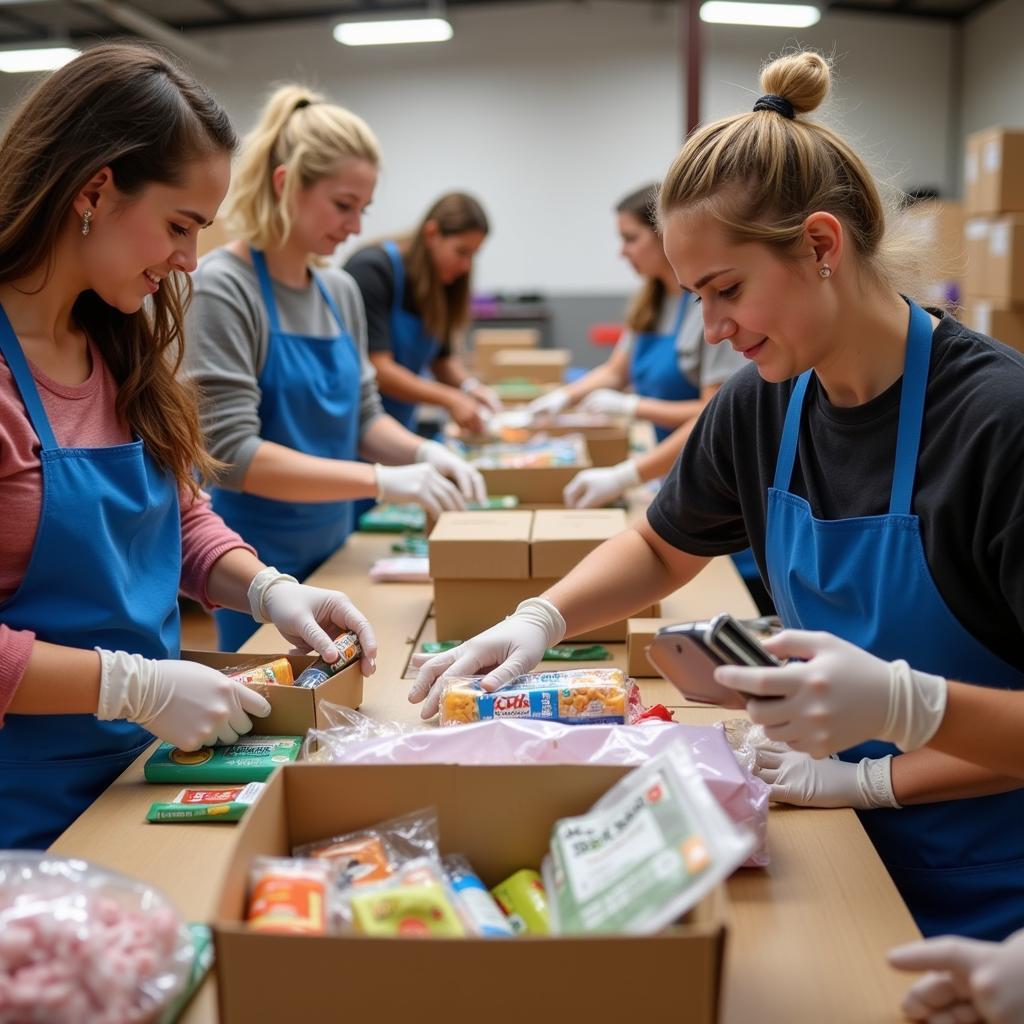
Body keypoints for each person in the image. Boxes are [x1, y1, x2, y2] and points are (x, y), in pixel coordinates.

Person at [410, 50, 1024, 943]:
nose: (713, 328)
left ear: (821, 246)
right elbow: (663, 546)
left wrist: (896, 735)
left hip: (989, 905)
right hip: (832, 853)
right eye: (696, 296)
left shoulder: (995, 425)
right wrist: (539, 618)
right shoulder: (764, 404)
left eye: (727, 290)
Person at [0, 45, 377, 851]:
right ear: (94, 189)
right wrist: (127, 684)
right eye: (178, 226)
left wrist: (273, 590)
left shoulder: (117, 343)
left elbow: (180, 522)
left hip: (139, 775)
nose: (189, 260)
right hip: (23, 810)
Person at [186, 88, 485, 652]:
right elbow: (232, 455)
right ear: (285, 186)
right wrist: (381, 480)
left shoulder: (339, 291)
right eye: (343, 205)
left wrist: (422, 453)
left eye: (363, 210)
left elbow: (364, 418)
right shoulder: (223, 288)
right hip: (255, 569)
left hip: (338, 550)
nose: (355, 227)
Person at [345, 192, 501, 436]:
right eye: (461, 252)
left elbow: (441, 359)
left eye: (473, 255)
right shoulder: (373, 271)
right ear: (431, 234)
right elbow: (379, 369)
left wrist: (469, 387)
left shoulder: (444, 285)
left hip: (401, 429)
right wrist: (450, 399)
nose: (466, 266)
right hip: (359, 431)